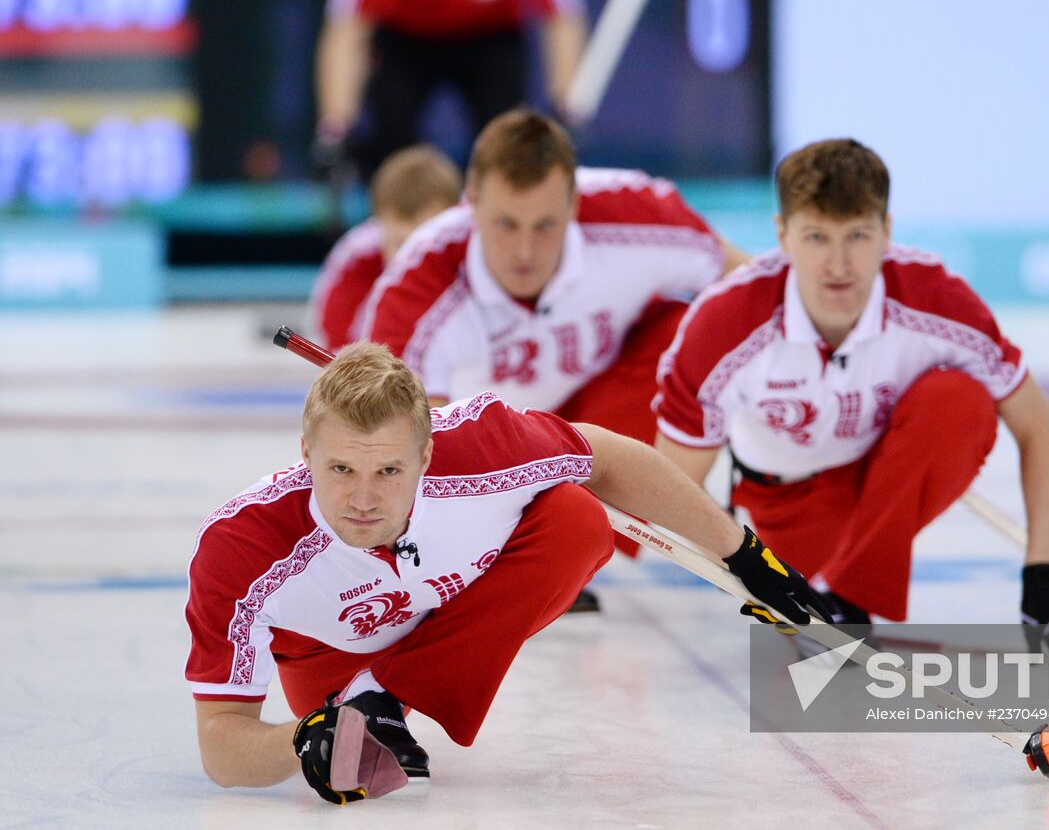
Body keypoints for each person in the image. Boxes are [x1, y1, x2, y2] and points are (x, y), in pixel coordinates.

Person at [186, 342, 824, 804]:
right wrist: (301, 739)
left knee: (576, 517)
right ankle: (364, 701)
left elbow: (609, 457)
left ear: (428, 454)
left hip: (451, 619)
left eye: (389, 472)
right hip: (331, 662)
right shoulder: (240, 549)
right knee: (347, 745)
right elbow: (220, 741)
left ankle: (386, 694)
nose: (363, 500)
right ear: (306, 454)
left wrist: (742, 552)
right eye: (340, 470)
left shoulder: (479, 448)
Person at [653, 138, 1049, 635]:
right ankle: (833, 590)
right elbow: (672, 481)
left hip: (889, 490)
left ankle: (847, 596)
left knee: (960, 403)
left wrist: (1044, 576)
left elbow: (1039, 427)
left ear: (887, 232)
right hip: (789, 511)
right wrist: (743, 562)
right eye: (817, 237)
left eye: (858, 236)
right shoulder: (724, 324)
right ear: (782, 234)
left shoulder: (936, 300)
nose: (839, 265)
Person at [363, 108, 747, 570]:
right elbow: (400, 448)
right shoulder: (416, 290)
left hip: (608, 415)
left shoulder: (636, 216)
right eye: (506, 224)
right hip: (489, 452)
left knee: (695, 325)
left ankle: (699, 511)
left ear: (574, 206)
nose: (525, 252)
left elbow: (753, 286)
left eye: (545, 225)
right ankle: (542, 539)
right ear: (472, 203)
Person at [315, 0, 587, 180]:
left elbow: (563, 17)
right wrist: (335, 128)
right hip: (407, 45)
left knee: (509, 144)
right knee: (391, 139)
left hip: (490, 42)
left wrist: (565, 103)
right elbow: (346, 33)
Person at [309, 145, 462, 350]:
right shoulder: (355, 260)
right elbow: (336, 355)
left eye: (425, 247)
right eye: (401, 244)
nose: (413, 261)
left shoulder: (470, 260)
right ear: (380, 222)